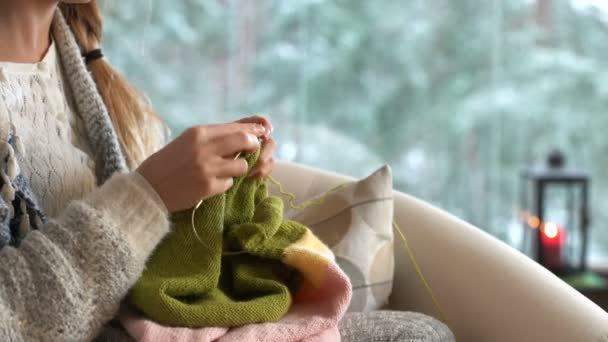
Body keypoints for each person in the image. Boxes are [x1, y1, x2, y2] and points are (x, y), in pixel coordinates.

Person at [0, 1, 454, 341]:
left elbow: (141, 264)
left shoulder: (86, 72)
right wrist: (146, 198)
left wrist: (209, 191)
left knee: (418, 333)